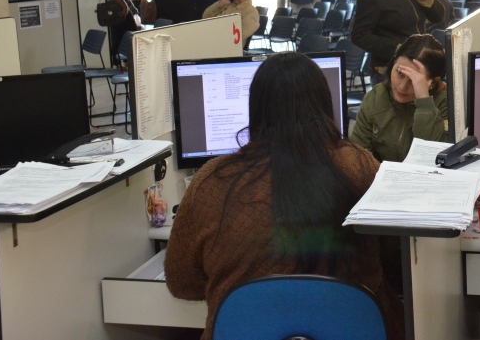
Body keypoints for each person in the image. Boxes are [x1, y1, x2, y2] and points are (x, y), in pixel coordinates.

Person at [164, 52, 404, 340]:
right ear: (323, 104)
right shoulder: (360, 165)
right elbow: (393, 253)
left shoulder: (211, 180)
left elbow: (182, 284)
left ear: (256, 108)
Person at [350, 34, 448, 163]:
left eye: (413, 80)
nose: (402, 87)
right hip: (381, 173)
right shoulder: (376, 96)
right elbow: (358, 154)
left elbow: (431, 158)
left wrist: (424, 103)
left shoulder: (446, 103)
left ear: (432, 83)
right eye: (400, 73)